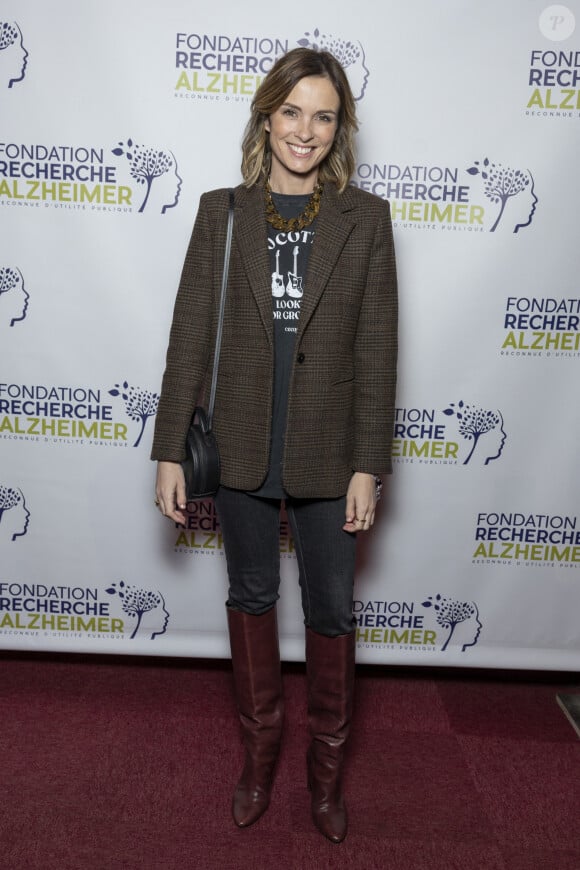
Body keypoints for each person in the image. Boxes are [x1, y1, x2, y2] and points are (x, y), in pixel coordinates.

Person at [152, 47, 398, 844]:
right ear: (267, 116)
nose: (306, 130)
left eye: (323, 115)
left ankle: (325, 778)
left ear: (340, 128)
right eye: (292, 111)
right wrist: (166, 448)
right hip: (242, 447)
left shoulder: (367, 220)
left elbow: (375, 349)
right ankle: (259, 760)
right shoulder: (221, 212)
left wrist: (369, 464)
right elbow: (190, 334)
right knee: (250, 600)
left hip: (330, 452)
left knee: (331, 610)